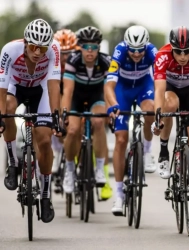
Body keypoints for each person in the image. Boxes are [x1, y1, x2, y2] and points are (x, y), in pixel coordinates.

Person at [0, 18, 62, 223]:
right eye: (34, 46)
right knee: (7, 109)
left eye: (42, 48)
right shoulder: (10, 50)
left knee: (44, 140)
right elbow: (1, 88)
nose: (38, 52)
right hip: (15, 88)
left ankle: (45, 196)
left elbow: (54, 86)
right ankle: (12, 162)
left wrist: (56, 117)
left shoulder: (54, 49)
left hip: (41, 89)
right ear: (26, 43)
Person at [151, 26, 189, 222]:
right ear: (171, 47)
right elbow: (159, 91)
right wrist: (158, 116)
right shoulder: (162, 55)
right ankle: (164, 152)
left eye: (186, 51)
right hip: (171, 90)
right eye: (178, 51)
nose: (183, 56)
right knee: (170, 104)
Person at [105, 25, 157, 216]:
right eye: (132, 50)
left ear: (146, 45)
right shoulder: (119, 51)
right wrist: (112, 105)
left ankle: (148, 151)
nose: (136, 54)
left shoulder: (152, 51)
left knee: (150, 109)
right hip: (123, 90)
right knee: (120, 139)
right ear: (127, 46)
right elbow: (109, 85)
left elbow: (160, 80)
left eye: (140, 50)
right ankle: (119, 194)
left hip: (143, 86)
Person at [61, 26, 110, 195]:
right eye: (86, 47)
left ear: (99, 48)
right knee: (73, 130)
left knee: (98, 121)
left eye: (94, 47)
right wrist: (64, 113)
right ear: (79, 47)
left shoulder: (105, 62)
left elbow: (108, 90)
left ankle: (99, 168)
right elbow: (67, 91)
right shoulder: (73, 60)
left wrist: (110, 111)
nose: (90, 51)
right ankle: (69, 171)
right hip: (77, 96)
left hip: (96, 96)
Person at [51, 29, 77, 176]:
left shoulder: (77, 60)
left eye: (69, 53)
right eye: (62, 53)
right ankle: (56, 150)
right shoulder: (50, 58)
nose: (65, 57)